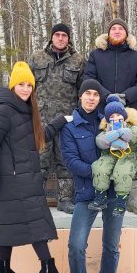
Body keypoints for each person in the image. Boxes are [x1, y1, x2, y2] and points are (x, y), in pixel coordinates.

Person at [0, 61, 71, 273]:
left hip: (23, 176)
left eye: (29, 85)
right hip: (12, 179)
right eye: (20, 84)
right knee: (35, 222)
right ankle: (48, 270)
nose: (25, 89)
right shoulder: (4, 110)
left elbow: (33, 140)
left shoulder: (25, 109)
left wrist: (59, 123)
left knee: (8, 223)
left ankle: (2, 269)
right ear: (12, 86)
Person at [60, 81, 132, 273]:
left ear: (100, 99)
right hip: (86, 193)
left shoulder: (109, 122)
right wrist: (100, 171)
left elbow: (129, 146)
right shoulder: (70, 128)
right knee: (76, 245)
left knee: (111, 246)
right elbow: (71, 161)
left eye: (95, 95)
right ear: (80, 97)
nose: (91, 98)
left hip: (112, 192)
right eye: (87, 94)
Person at [83, 18, 137, 216]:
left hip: (128, 111)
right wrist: (107, 96)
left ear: (127, 34)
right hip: (101, 111)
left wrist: (126, 96)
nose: (117, 31)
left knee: (129, 150)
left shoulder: (136, 57)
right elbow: (89, 78)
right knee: (102, 149)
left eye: (121, 28)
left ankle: (131, 196)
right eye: (113, 28)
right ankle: (99, 192)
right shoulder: (96, 55)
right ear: (108, 33)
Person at [28, 23, 86, 214]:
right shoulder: (36, 59)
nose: (61, 38)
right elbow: (26, 88)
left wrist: (78, 117)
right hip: (41, 121)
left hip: (66, 122)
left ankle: (65, 199)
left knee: (66, 160)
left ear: (69, 38)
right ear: (51, 37)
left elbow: (83, 91)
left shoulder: (78, 61)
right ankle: (36, 199)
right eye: (57, 35)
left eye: (64, 35)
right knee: (40, 160)